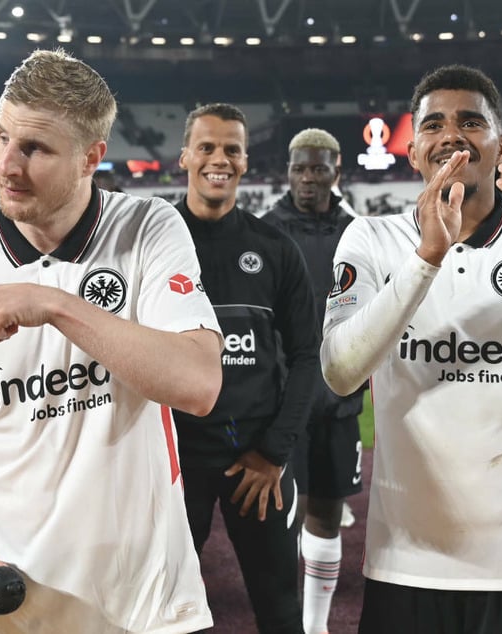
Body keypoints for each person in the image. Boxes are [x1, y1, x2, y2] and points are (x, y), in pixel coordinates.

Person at [0, 49, 223, 633]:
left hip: (145, 603)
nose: (6, 167)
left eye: (36, 149)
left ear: (91, 158)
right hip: (8, 599)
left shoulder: (147, 227)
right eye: (2, 138)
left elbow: (197, 384)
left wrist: (54, 303)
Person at [320, 64, 502, 634]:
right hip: (408, 554)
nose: (451, 134)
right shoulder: (373, 239)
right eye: (432, 124)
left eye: (469, 122)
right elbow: (339, 371)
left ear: (501, 146)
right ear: (414, 150)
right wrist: (426, 257)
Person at [172, 103, 317, 633]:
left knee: (280, 608)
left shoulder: (275, 249)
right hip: (174, 461)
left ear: (246, 161)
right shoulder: (153, 243)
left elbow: (307, 355)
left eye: (231, 148)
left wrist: (274, 452)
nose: (219, 159)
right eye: (206, 146)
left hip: (255, 463)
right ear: (184, 156)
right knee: (163, 608)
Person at [262, 128, 365, 634]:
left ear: (336, 170)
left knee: (327, 511)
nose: (308, 178)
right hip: (283, 400)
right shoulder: (265, 231)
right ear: (288, 170)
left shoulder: (358, 232)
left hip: (340, 398)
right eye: (300, 168)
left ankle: (315, 625)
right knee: (284, 518)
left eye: (318, 168)